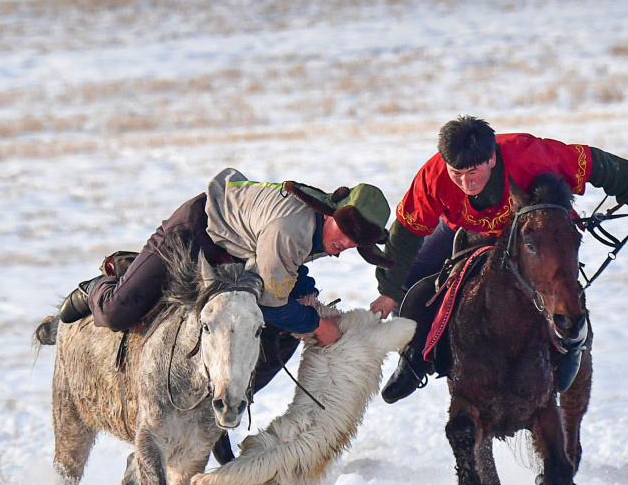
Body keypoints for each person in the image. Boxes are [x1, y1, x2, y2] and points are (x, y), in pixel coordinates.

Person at [54, 167, 394, 457]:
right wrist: (318, 323)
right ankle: (100, 286)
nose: (348, 245)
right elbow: (272, 301)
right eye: (346, 233)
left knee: (282, 337)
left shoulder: (315, 228)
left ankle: (224, 407)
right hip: (194, 234)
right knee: (117, 312)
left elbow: (285, 271)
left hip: (237, 255)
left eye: (358, 243)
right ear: (332, 214)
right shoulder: (291, 229)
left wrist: (308, 301)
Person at [370, 116, 628, 403]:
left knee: (558, 280)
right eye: (456, 172)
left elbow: (592, 162)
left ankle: (570, 344)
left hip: (533, 230)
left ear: (492, 159)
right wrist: (388, 292)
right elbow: (405, 234)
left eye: (473, 172)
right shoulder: (433, 177)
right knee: (414, 275)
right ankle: (414, 359)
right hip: (468, 228)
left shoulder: (529, 155)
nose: (465, 182)